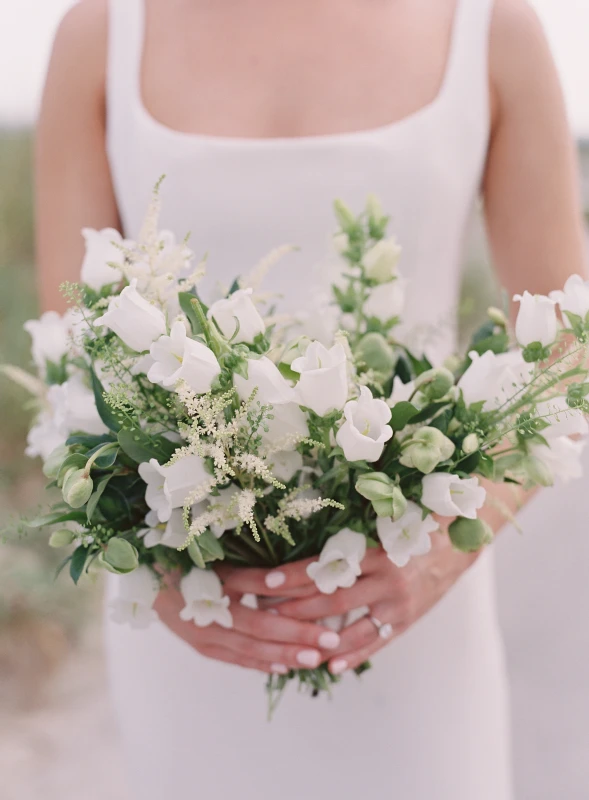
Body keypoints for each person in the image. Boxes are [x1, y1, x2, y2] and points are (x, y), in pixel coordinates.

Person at [35, 0, 587, 798]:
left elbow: (568, 346)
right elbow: (66, 352)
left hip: (407, 614)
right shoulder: (100, 35)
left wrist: (444, 553)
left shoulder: (491, 27)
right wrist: (162, 581)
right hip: (193, 620)